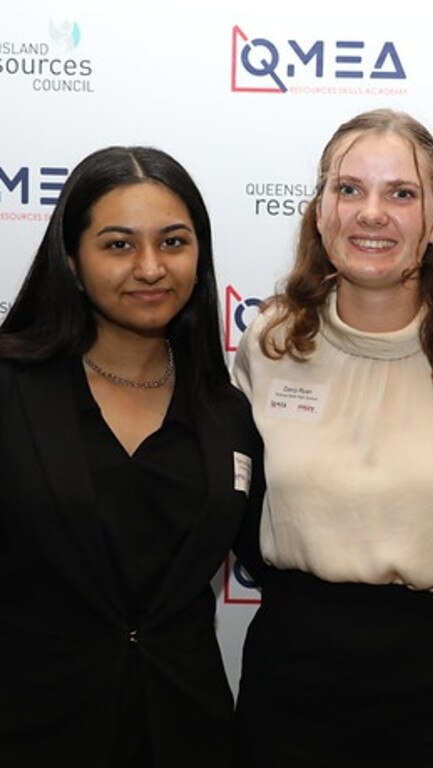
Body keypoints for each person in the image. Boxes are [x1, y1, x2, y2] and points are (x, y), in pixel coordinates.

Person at [231, 108, 433, 768]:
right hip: (293, 676)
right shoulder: (269, 344)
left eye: (401, 193)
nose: (370, 213)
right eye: (349, 189)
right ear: (321, 211)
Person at [0, 146, 265, 768]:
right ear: (72, 260)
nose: (151, 267)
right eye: (118, 245)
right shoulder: (11, 388)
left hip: (186, 729)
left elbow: (281, 542)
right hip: (29, 725)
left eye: (174, 242)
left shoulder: (226, 411)